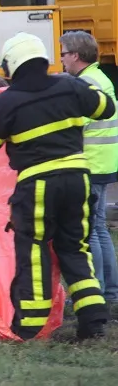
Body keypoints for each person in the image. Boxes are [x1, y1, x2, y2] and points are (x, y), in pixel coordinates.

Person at [0, 32, 114, 341]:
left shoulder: (8, 100)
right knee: (74, 246)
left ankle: (30, 324)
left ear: (12, 65)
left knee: (34, 248)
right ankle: (93, 318)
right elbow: (105, 108)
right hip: (77, 178)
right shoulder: (70, 85)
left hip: (36, 184)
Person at [59, 30, 118, 316]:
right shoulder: (102, 77)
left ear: (76, 56)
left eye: (64, 54)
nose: (60, 60)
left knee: (89, 233)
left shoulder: (85, 84)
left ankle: (94, 291)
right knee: (100, 230)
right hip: (105, 163)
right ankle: (110, 292)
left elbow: (73, 122)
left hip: (89, 164)